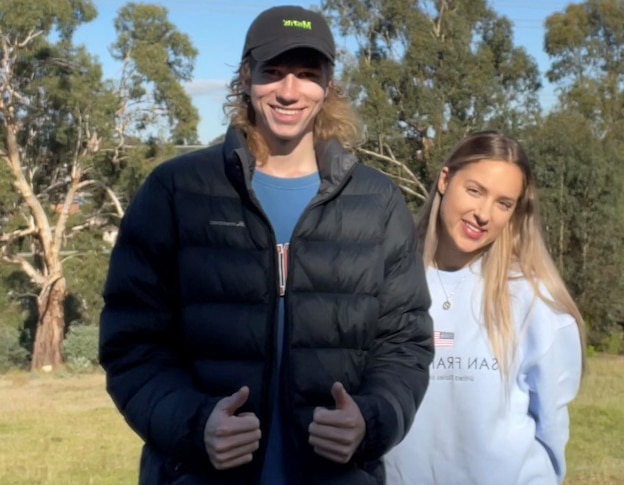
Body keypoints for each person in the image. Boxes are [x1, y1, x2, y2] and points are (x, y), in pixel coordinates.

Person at [98, 5, 434, 484]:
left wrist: (371, 419)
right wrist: (195, 424)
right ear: (245, 77)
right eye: (272, 72)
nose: (289, 91)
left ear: (328, 84)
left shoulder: (377, 201)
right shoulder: (176, 191)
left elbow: (405, 345)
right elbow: (132, 345)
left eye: (306, 74)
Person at [383, 130, 586, 485]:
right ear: (445, 180)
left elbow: (551, 428)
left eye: (503, 203)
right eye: (475, 191)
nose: (483, 214)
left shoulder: (533, 302)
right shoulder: (385, 279)